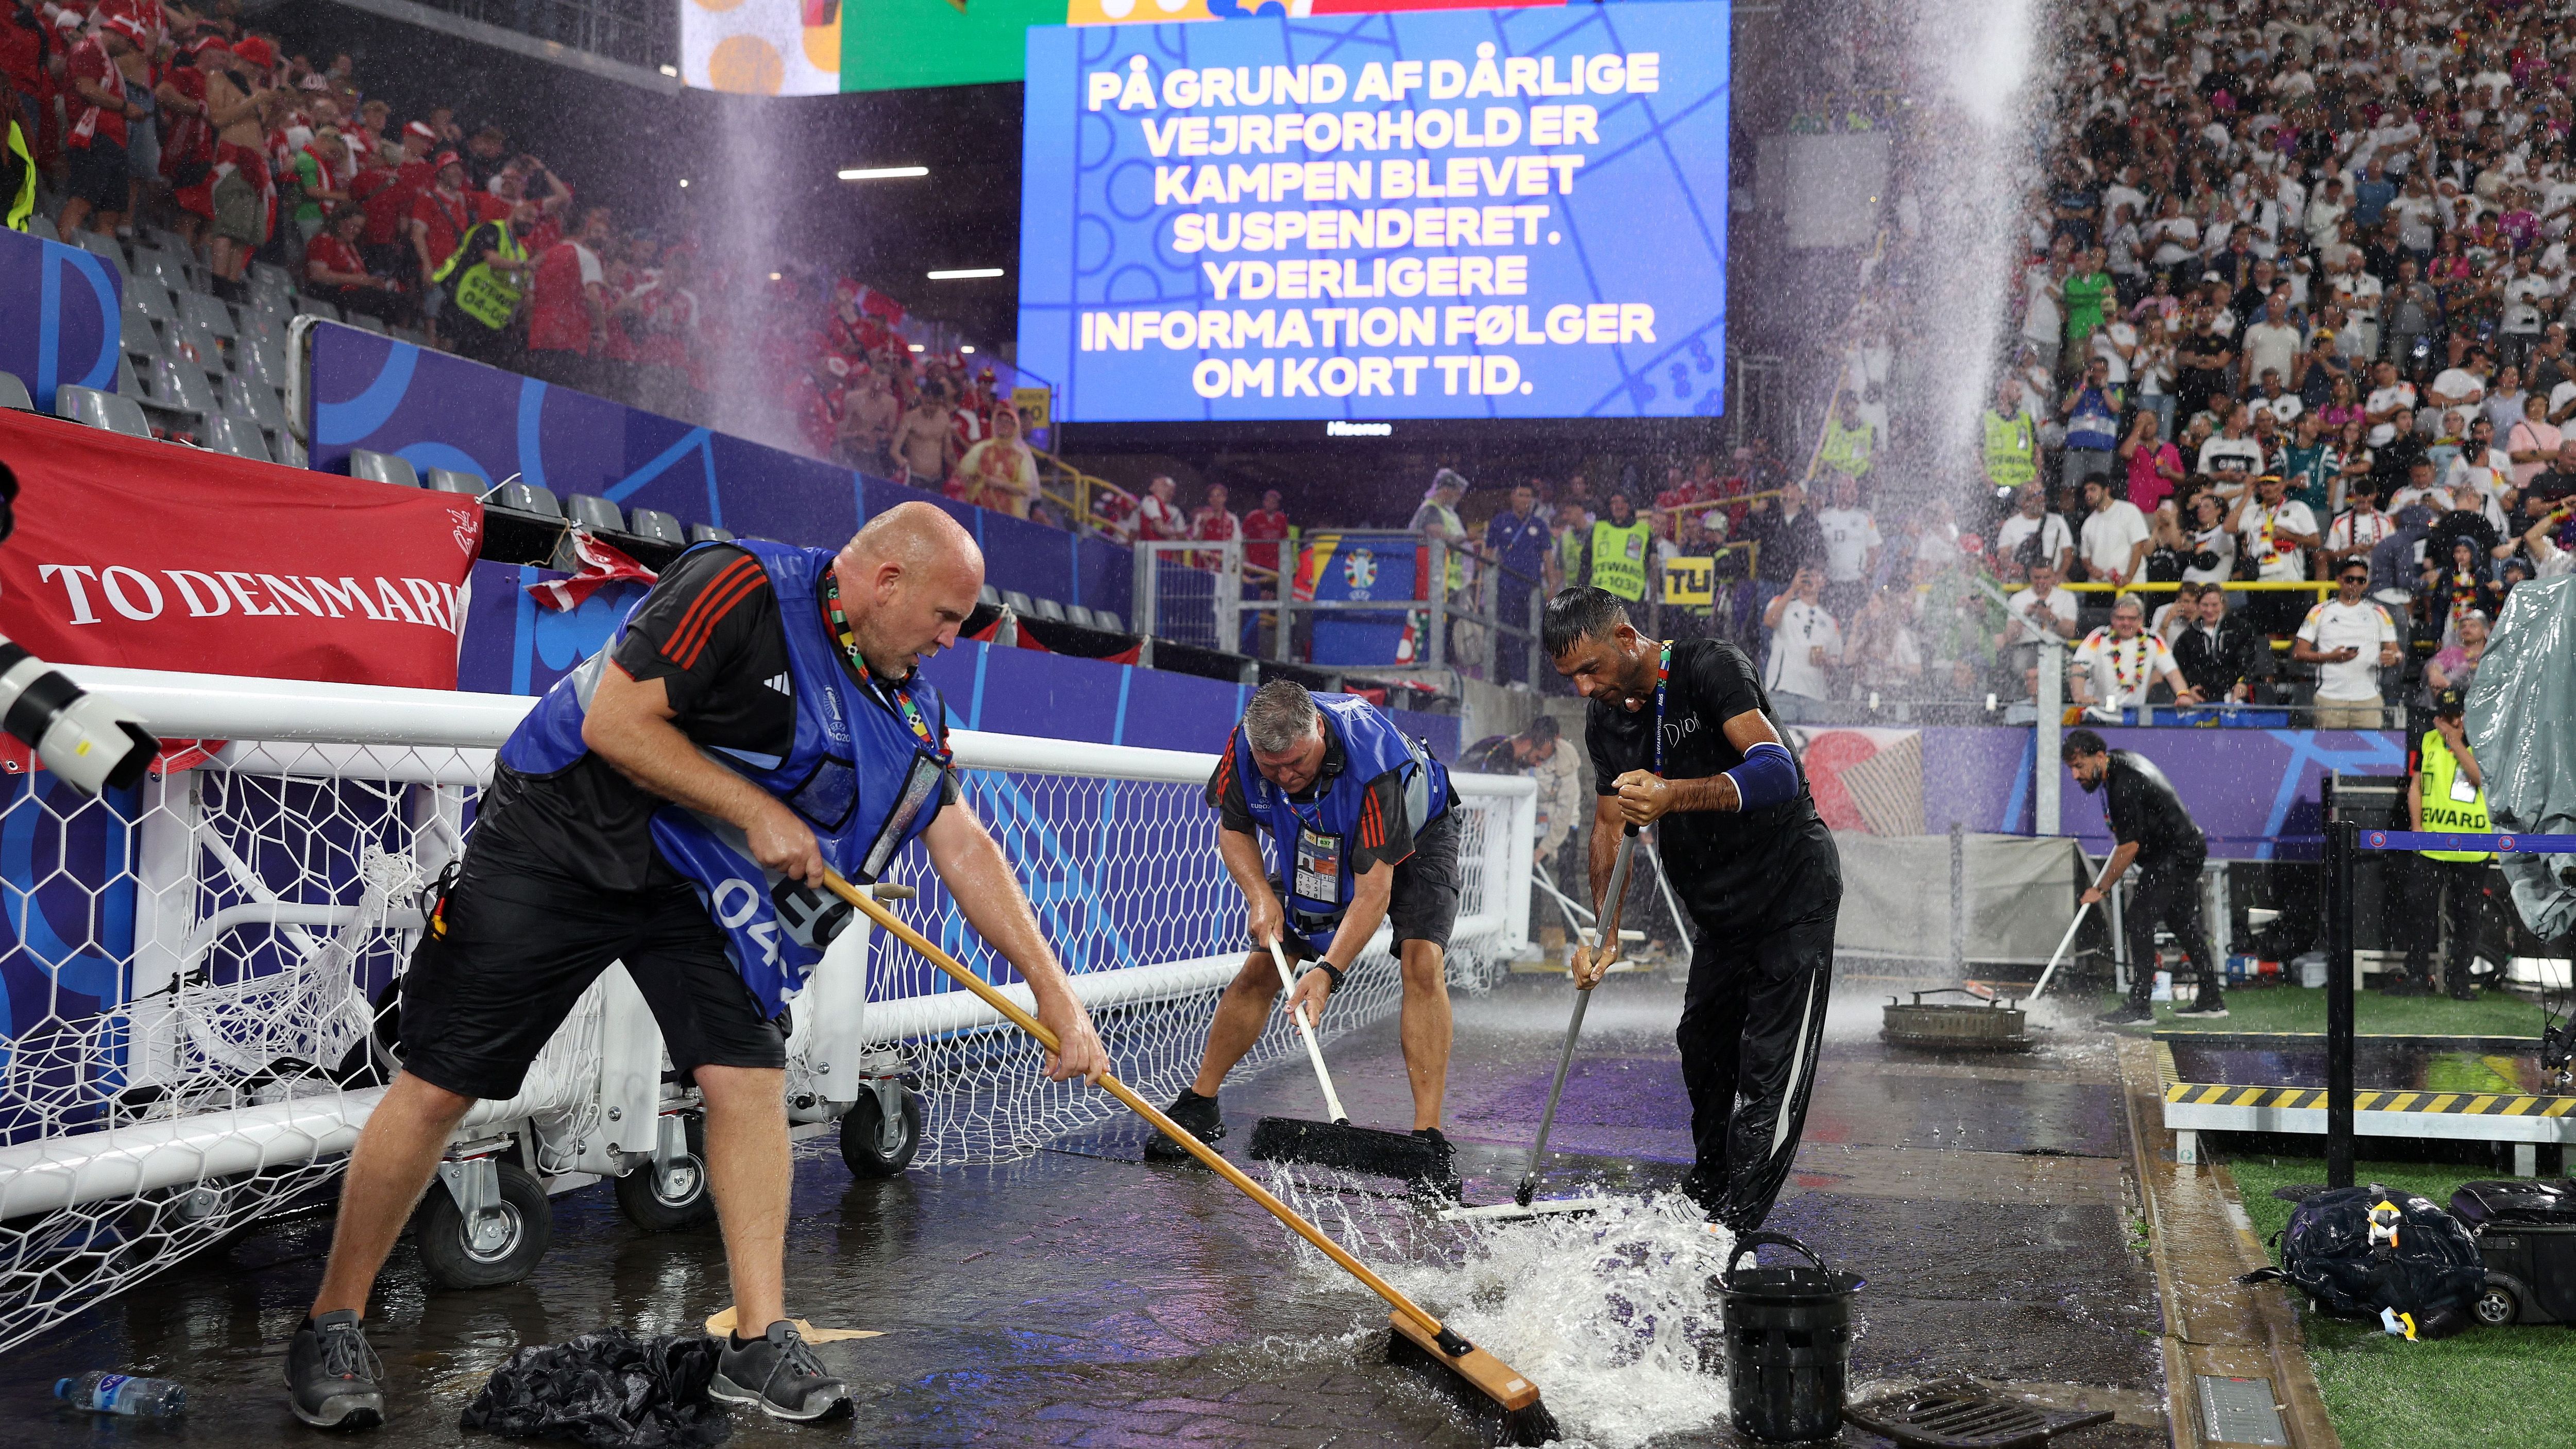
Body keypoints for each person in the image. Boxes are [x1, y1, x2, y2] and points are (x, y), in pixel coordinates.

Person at [283, 504, 1110, 1429]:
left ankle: (758, 1340)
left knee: (747, 1072)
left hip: (696, 882)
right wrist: (753, 811)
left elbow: (962, 844)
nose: (951, 641)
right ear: (888, 582)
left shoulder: (907, 701)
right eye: (946, 617)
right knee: (441, 1084)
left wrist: (1056, 991)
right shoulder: (740, 585)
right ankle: (334, 1321)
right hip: (562, 834)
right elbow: (616, 721)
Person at [1545, 586, 1841, 1229]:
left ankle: (1736, 1228)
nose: (1582, 688)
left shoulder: (1709, 667)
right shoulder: (1605, 719)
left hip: (1790, 892)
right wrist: (1606, 932)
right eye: (1569, 678)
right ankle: (1709, 1194)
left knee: (1769, 1070)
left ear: (1625, 639)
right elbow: (1605, 827)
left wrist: (1672, 795)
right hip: (1721, 911)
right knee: (1701, 1045)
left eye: (1589, 669)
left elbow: (1777, 770)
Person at [1152, 682, 1463, 1174]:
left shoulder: (1373, 768)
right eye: (1272, 769)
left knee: (1422, 959)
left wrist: (1328, 973)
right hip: (1319, 832)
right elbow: (1234, 829)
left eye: (1297, 763)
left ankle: (1428, 1139)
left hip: (1420, 833)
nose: (1286, 777)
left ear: (1318, 728)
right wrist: (1259, 895)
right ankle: (1199, 1105)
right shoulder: (1246, 748)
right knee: (1265, 965)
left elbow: (1372, 893)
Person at [2064, 731, 2224, 1022]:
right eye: (2072, 769)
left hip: (2176, 854)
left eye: (2080, 766)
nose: (2076, 776)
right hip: (2183, 849)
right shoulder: (2120, 762)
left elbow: (2128, 848)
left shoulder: (2122, 785)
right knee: (2179, 920)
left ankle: (2139, 1007)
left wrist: (2100, 888)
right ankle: (2212, 999)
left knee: (2139, 918)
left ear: (2099, 757)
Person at [2400, 689, 2496, 1000]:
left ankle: (2459, 979)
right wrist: (2416, 829)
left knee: (2468, 913)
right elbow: (2415, 785)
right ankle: (2416, 976)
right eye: (2450, 715)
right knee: (2419, 909)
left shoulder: (2488, 740)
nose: (2456, 721)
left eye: (2461, 714)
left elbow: (2482, 778)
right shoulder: (2427, 740)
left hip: (2473, 843)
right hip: (2431, 843)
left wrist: (2455, 742)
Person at [2292, 559, 2402, 730]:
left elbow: (2396, 653)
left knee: (2370, 755)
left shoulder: (2379, 612)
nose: (2355, 584)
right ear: (2339, 580)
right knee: (2327, 754)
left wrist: (2392, 658)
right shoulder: (2320, 611)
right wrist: (2331, 657)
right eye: (2350, 579)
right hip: (2330, 698)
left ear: (2366, 584)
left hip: (2368, 699)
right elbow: (2299, 653)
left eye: (2361, 580)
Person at [2070, 594, 2196, 719]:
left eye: (2132, 618)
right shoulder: (2099, 636)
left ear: (2140, 620)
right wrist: (2079, 696)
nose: (2126, 623)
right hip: (2098, 714)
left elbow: (2172, 672)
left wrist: (2183, 694)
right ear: (2112, 619)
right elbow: (2078, 668)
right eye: (2121, 618)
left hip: (2134, 717)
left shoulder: (2153, 640)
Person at [1483, 481, 1553, 682]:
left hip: (1532, 589)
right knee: (1511, 635)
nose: (1525, 500)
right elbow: (1488, 556)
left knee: (1538, 634)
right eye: (1521, 495)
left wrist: (1552, 589)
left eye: (1528, 496)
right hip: (1507, 588)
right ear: (1512, 497)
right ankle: (1518, 679)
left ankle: (1538, 680)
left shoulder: (1539, 525)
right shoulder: (1500, 522)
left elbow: (1548, 559)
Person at [1759, 566, 1838, 722]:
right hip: (1783, 692)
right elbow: (1769, 621)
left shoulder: (1830, 621)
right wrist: (1793, 589)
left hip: (1815, 697)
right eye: (1807, 575)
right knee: (1781, 745)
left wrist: (1826, 660)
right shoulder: (1783, 603)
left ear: (1824, 582)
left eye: (1816, 575)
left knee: (1813, 746)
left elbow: (1837, 660)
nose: (1811, 579)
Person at [2172, 584, 2270, 704]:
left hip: (2234, 693)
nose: (2209, 610)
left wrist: (2243, 683)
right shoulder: (2188, 635)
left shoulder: (2241, 629)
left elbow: (2250, 660)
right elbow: (2179, 667)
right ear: (2198, 606)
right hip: (2201, 696)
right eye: (2205, 605)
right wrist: (2187, 690)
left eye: (2215, 605)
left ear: (2223, 605)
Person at [1813, 473, 1880, 621]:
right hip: (1831, 583)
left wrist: (1868, 574)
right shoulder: (1823, 517)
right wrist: (1820, 574)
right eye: (1846, 487)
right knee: (1830, 624)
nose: (1852, 491)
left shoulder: (1865, 517)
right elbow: (1816, 548)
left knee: (1854, 625)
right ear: (1836, 490)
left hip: (1855, 583)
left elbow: (1874, 549)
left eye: (1854, 488)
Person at [955, 405, 1040, 519]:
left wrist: (1001, 484)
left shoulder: (1021, 455)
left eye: (1009, 422)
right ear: (994, 424)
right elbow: (962, 474)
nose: (1004, 425)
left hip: (1010, 516)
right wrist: (981, 482)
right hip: (980, 511)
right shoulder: (981, 448)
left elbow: (1025, 489)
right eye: (1000, 421)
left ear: (1015, 427)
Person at [1582, 491, 1654, 606]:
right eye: (1615, 502)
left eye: (1623, 502)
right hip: (1600, 598)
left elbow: (1651, 565)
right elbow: (1585, 563)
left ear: (1629, 506)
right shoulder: (1598, 530)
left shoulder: (1643, 532)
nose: (1619, 506)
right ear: (1610, 506)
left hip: (1632, 600)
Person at [2078, 475, 2151, 586]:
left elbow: (2139, 546)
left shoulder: (2129, 511)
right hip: (2100, 587)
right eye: (2086, 491)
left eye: (2093, 489)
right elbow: (2085, 557)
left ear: (2107, 490)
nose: (2088, 495)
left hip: (2131, 585)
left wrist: (2128, 577)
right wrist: (2091, 569)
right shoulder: (2088, 523)